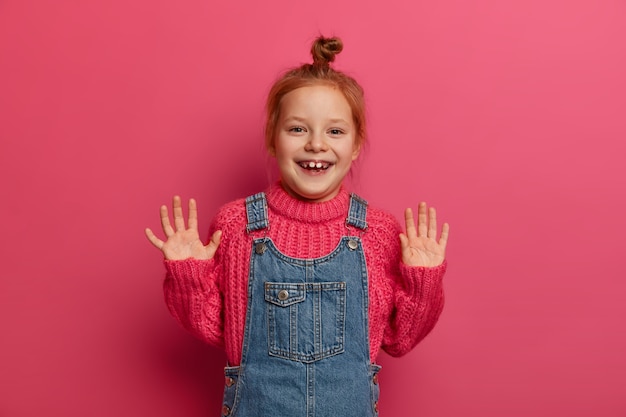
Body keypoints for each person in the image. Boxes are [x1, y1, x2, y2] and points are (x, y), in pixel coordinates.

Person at [145, 36, 450, 417]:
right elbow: (214, 328)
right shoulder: (237, 225)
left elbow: (400, 339)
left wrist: (423, 282)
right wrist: (188, 277)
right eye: (297, 129)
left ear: (356, 145)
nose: (317, 145)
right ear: (273, 140)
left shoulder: (378, 232)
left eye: (335, 132)